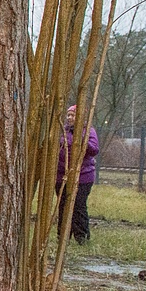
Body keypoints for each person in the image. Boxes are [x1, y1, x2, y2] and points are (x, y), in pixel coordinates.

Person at [56, 104, 99, 243]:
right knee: (63, 206)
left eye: (73, 115)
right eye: (68, 115)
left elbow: (93, 149)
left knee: (78, 206)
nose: (70, 117)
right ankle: (63, 236)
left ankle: (82, 236)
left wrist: (80, 140)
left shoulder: (88, 131)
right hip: (62, 176)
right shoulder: (63, 131)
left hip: (83, 176)